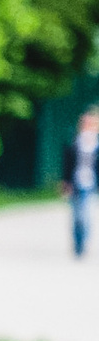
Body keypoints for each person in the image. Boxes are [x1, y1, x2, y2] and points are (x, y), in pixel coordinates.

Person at [67, 107, 98, 260]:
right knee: (76, 215)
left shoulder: (96, 146)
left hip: (90, 184)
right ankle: (77, 243)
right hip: (76, 182)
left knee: (85, 214)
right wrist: (65, 183)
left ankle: (84, 241)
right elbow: (67, 164)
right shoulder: (75, 142)